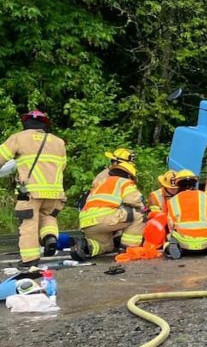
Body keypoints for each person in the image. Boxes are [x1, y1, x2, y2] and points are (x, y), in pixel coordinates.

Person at [0, 110, 67, 269]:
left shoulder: (18, 138)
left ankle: (30, 259)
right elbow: (63, 166)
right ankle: (49, 237)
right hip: (55, 192)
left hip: (30, 191)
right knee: (48, 216)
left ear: (26, 122)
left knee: (28, 223)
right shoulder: (59, 142)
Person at [72, 162, 145, 261]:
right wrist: (143, 207)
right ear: (129, 175)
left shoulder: (100, 182)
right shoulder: (124, 182)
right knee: (138, 214)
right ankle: (129, 248)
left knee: (106, 246)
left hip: (86, 222)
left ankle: (86, 245)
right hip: (104, 218)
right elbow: (134, 201)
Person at [165, 170, 207, 259]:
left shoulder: (173, 201)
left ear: (178, 185)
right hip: (206, 238)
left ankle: (172, 246)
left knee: (170, 236)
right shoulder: (206, 197)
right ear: (195, 183)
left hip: (184, 240)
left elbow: (170, 224)